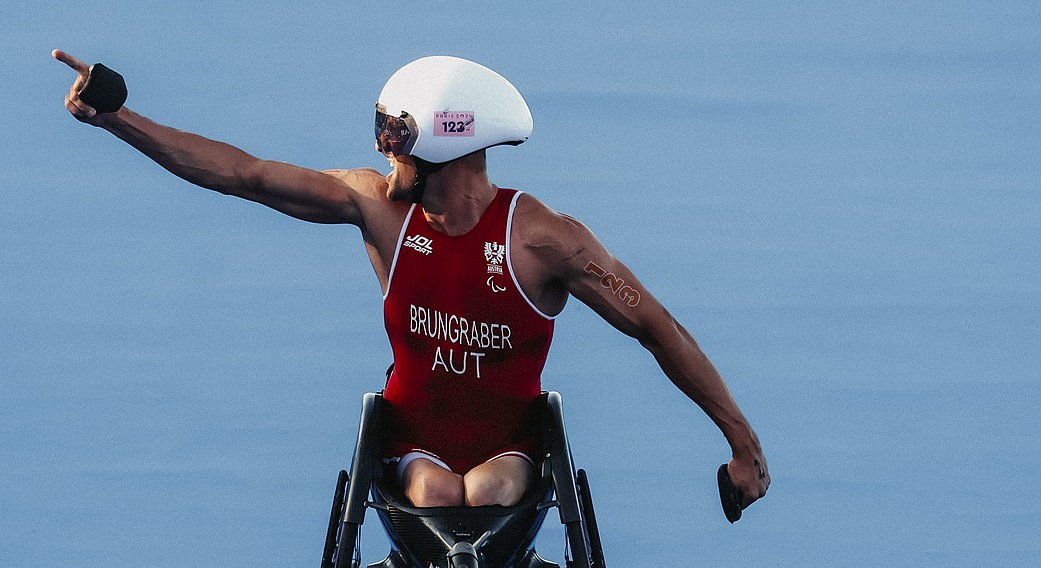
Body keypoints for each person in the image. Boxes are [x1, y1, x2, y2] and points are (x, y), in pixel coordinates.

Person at [53, 50, 770, 514]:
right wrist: (117, 120)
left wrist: (743, 444)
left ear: (444, 142)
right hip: (411, 445)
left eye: (394, 133)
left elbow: (653, 325)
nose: (378, 148)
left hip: (508, 452)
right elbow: (243, 174)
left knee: (484, 489)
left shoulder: (547, 240)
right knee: (434, 490)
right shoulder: (376, 208)